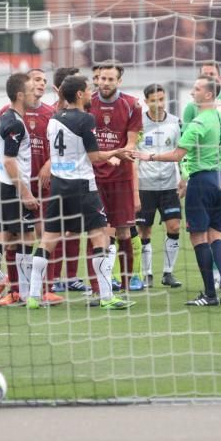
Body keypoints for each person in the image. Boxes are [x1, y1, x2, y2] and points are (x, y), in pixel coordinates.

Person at [134, 76, 221, 306]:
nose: (192, 92)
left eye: (196, 89)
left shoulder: (197, 124)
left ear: (208, 95)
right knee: (216, 234)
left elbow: (177, 155)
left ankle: (209, 294)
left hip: (201, 182)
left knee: (198, 237)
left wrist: (149, 155)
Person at [26, 75, 133, 310]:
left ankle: (33, 296)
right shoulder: (86, 119)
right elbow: (95, 157)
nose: (91, 93)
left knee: (48, 239)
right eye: (88, 89)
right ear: (79, 95)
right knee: (99, 236)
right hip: (83, 187)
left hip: (58, 187)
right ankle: (106, 297)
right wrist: (117, 152)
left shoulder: (53, 119)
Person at [0, 73, 43, 308]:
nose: (36, 93)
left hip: (5, 188)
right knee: (4, 239)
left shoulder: (8, 118)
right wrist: (26, 192)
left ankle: (21, 294)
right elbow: (10, 161)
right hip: (11, 190)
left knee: (24, 237)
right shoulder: (13, 122)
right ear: (20, 95)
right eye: (32, 89)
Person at [181, 60, 221, 286]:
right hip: (217, 177)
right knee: (219, 230)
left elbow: (182, 147)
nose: (208, 76)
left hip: (217, 176)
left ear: (218, 80)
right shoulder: (193, 108)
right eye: (204, 74)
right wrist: (185, 174)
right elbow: (187, 139)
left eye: (211, 74)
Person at [90, 60, 143, 293]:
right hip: (93, 178)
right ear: (97, 78)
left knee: (123, 230)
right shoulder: (87, 102)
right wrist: (102, 156)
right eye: (102, 78)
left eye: (111, 79)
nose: (105, 82)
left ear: (119, 81)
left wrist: (117, 156)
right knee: (97, 231)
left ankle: (125, 282)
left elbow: (131, 142)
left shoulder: (132, 105)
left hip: (121, 177)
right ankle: (99, 285)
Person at [135, 83, 184, 288]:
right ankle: (146, 274)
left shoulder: (175, 122)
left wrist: (184, 177)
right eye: (154, 100)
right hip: (144, 185)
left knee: (174, 226)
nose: (159, 103)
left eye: (162, 99)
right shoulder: (138, 124)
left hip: (169, 185)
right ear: (146, 102)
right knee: (143, 231)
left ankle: (168, 272)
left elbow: (182, 152)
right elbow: (132, 153)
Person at [47, 67, 90, 293]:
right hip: (56, 178)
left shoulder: (84, 112)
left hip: (75, 177)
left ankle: (71, 277)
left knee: (74, 230)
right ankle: (51, 279)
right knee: (50, 232)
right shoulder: (51, 113)